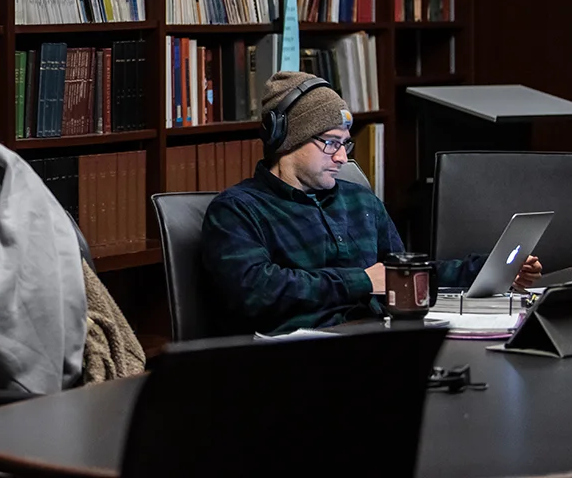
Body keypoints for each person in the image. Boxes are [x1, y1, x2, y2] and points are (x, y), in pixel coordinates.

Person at [201, 71, 543, 335]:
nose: (340, 157)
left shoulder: (358, 199)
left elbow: (401, 275)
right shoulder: (237, 210)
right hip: (294, 355)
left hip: (377, 340)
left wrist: (491, 271)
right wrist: (364, 281)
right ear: (287, 139)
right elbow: (256, 292)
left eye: (345, 145)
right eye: (330, 143)